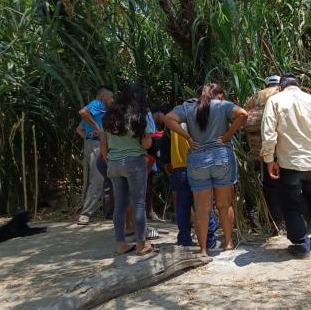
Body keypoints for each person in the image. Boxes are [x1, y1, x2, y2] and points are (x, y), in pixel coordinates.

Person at [165, 83, 248, 254]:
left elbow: (168, 119)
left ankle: (203, 249)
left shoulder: (188, 108)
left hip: (197, 160)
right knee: (224, 205)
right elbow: (243, 114)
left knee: (202, 208)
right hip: (221, 157)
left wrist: (187, 137)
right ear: (217, 94)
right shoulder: (223, 105)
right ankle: (228, 243)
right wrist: (227, 135)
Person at [261, 74, 311, 259]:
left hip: (290, 162)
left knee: (291, 204)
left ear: (280, 88)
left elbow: (268, 134)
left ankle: (301, 245)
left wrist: (269, 160)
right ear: (299, 86)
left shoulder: (275, 100)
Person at [100, 84, 154, 255]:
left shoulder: (110, 116)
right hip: (134, 163)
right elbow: (147, 144)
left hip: (114, 163)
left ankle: (120, 244)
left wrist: (109, 159)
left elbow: (103, 144)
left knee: (120, 206)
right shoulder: (139, 117)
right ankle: (141, 245)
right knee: (138, 203)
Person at [162, 111, 221, 250]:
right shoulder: (199, 121)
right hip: (198, 167)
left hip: (179, 169)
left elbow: (164, 145)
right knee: (204, 205)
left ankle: (184, 240)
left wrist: (167, 164)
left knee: (182, 206)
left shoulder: (172, 123)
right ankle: (210, 241)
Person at [244, 75, 285, 234]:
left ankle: (274, 220)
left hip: (258, 150)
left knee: (269, 186)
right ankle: (283, 219)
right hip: (282, 148)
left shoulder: (255, 96)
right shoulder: (282, 92)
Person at [78, 86, 114, 225]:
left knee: (107, 179)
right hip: (97, 146)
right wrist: (97, 130)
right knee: (98, 179)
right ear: (103, 96)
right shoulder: (96, 104)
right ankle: (86, 213)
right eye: (110, 97)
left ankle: (109, 213)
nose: (112, 100)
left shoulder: (99, 112)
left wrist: (88, 136)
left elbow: (79, 129)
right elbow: (82, 112)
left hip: (97, 144)